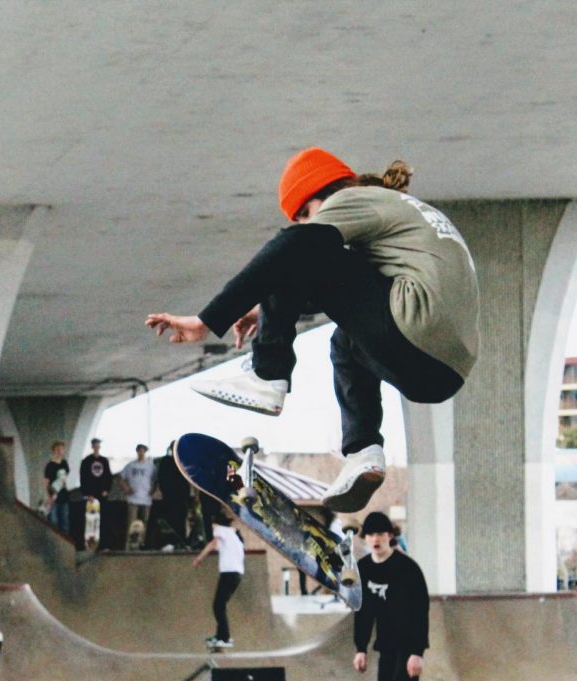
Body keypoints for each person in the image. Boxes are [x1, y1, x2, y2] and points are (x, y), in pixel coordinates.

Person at [146, 147, 479, 513]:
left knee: (293, 252)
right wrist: (264, 309)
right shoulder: (395, 209)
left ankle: (267, 375)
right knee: (344, 342)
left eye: (306, 212)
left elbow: (295, 254)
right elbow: (341, 291)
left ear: (328, 191)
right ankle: (363, 452)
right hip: (445, 368)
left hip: (413, 322)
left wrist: (207, 321)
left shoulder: (353, 198)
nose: (305, 221)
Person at [353, 511, 429, 681]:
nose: (376, 539)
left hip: (408, 646)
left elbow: (421, 611)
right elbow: (363, 612)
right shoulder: (363, 569)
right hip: (385, 645)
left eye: (381, 535)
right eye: (371, 535)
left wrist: (417, 653)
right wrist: (360, 647)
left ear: (390, 537)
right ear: (366, 539)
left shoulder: (407, 568)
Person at [192, 512, 245, 649]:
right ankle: (220, 636)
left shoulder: (221, 530)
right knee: (220, 605)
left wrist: (199, 558)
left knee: (218, 606)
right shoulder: (234, 535)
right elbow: (220, 546)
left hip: (229, 572)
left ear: (217, 523)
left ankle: (225, 637)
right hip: (237, 574)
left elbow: (213, 544)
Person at [79, 438, 114, 551]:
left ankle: (103, 544)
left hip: (102, 496)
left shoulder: (104, 461)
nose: (96, 447)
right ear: (92, 446)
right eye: (95, 445)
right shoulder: (86, 461)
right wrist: (87, 493)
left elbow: (109, 477)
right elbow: (83, 478)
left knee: (103, 520)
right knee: (90, 521)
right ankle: (88, 544)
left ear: (99, 447)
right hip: (91, 496)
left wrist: (107, 490)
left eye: (98, 445)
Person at [157, 440, 192, 548]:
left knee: (181, 520)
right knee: (169, 520)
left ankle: (181, 542)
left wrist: (189, 495)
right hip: (169, 496)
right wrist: (163, 491)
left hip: (182, 497)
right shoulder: (165, 461)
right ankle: (169, 542)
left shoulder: (184, 461)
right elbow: (161, 478)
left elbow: (189, 478)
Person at [121, 444, 157, 542]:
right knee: (132, 523)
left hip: (146, 499)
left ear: (145, 452)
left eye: (143, 451)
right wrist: (126, 488)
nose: (141, 453)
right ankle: (129, 543)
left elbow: (156, 480)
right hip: (133, 499)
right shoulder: (130, 465)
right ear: (137, 452)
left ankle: (141, 542)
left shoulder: (151, 466)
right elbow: (121, 478)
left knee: (144, 522)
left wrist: (153, 491)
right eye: (139, 451)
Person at [43, 440, 71, 534]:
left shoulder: (64, 463)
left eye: (61, 449)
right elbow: (46, 482)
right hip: (53, 498)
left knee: (65, 523)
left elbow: (65, 479)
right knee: (53, 522)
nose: (60, 451)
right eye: (57, 449)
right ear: (54, 450)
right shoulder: (49, 466)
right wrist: (50, 496)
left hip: (64, 496)